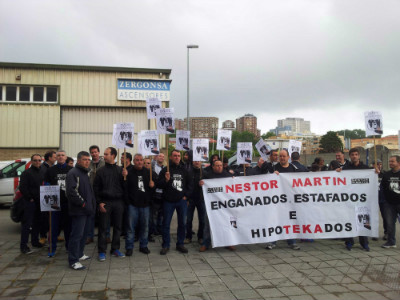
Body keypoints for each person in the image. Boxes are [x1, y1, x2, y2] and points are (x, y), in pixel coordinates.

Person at [93, 147, 127, 261]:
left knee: (118, 227)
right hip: (105, 202)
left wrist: (125, 177)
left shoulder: (121, 170)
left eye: (106, 154)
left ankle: (115, 249)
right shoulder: (101, 171)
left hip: (118, 202)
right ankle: (102, 251)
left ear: (113, 155)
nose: (104, 156)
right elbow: (96, 188)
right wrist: (99, 202)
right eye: (104, 154)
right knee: (103, 228)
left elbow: (125, 188)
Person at [157, 150, 193, 255]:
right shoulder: (165, 170)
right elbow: (159, 185)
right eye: (175, 156)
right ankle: (165, 245)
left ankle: (180, 244)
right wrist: (166, 180)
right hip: (168, 201)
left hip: (181, 201)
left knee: (182, 223)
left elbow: (190, 185)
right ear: (171, 157)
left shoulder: (185, 170)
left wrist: (186, 196)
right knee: (166, 224)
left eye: (178, 156)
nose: (177, 157)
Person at [66, 151, 96, 270]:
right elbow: (71, 192)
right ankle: (73, 260)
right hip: (79, 210)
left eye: (88, 160)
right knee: (76, 235)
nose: (87, 161)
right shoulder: (73, 173)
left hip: (87, 210)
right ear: (78, 161)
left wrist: (91, 204)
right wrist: (83, 204)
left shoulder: (85, 173)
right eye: (84, 159)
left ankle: (80, 253)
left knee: (84, 234)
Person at [266, 149, 300, 250]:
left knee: (290, 220)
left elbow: (301, 180)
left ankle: (292, 242)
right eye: (280, 156)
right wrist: (272, 176)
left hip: (290, 200)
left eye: (284, 156)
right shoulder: (274, 168)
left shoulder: (294, 168)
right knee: (275, 220)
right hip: (277, 200)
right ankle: (272, 241)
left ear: (288, 157)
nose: (282, 158)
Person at [199, 159, 233, 252]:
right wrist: (200, 183)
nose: (219, 167)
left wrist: (235, 180)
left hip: (225, 205)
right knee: (208, 223)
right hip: (211, 204)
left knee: (227, 222)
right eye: (217, 165)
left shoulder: (228, 175)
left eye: (221, 165)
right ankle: (206, 243)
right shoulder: (207, 175)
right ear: (213, 166)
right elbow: (200, 185)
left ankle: (228, 242)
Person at [341, 148, 370, 251]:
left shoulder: (366, 168)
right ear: (350, 156)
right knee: (349, 221)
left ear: (359, 156)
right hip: (349, 200)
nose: (354, 156)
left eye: (356, 154)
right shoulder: (345, 168)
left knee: (363, 221)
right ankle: (349, 242)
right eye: (352, 154)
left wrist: (375, 172)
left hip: (362, 200)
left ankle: (364, 243)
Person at [45, 150, 73, 257]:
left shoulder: (71, 170)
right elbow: (46, 185)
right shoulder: (50, 170)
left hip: (68, 203)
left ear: (66, 157)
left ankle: (69, 247)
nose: (60, 157)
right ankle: (52, 248)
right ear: (56, 158)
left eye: (62, 155)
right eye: (58, 156)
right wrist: (47, 203)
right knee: (53, 227)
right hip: (54, 203)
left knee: (68, 227)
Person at [125, 154, 154, 256]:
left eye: (141, 160)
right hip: (132, 205)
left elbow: (160, 183)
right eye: (137, 160)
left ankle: (143, 246)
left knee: (145, 227)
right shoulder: (128, 172)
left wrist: (152, 185)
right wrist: (128, 202)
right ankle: (129, 247)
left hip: (145, 205)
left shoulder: (148, 172)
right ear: (133, 161)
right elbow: (125, 188)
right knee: (130, 227)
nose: (139, 162)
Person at [19, 154, 44, 254]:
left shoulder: (43, 171)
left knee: (37, 223)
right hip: (30, 202)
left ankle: (35, 241)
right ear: (31, 161)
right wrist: (30, 198)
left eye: (39, 160)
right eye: (35, 160)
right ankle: (23, 246)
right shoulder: (26, 173)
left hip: (40, 201)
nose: (37, 162)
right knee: (27, 224)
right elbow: (23, 188)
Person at [86, 145, 105, 245]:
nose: (94, 154)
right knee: (90, 216)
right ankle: (90, 236)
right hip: (90, 193)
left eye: (95, 152)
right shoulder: (87, 164)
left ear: (98, 152)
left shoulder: (104, 163)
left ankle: (106, 236)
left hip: (102, 192)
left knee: (104, 215)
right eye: (92, 152)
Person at [380, 155, 400, 249]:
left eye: (392, 161)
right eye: (390, 161)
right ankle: (391, 242)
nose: (390, 163)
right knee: (389, 223)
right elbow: (383, 187)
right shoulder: (386, 174)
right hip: (389, 204)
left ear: (398, 163)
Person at [185, 160, 205, 245]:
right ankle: (188, 237)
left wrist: (204, 184)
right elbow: (185, 185)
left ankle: (200, 237)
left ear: (201, 162)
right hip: (190, 199)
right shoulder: (188, 172)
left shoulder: (205, 173)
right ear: (192, 162)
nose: (197, 162)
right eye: (195, 161)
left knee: (202, 220)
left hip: (201, 199)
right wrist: (186, 198)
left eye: (198, 161)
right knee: (188, 220)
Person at [38, 150, 56, 245]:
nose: (56, 158)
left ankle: (53, 235)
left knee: (52, 217)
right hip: (45, 195)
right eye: (54, 157)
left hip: (53, 194)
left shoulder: (52, 167)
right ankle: (43, 236)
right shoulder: (43, 168)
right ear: (49, 158)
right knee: (44, 218)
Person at [150, 154, 166, 236]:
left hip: (163, 193)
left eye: (163, 157)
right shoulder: (153, 166)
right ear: (156, 157)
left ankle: (160, 229)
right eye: (160, 156)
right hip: (155, 192)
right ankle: (154, 229)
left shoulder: (165, 168)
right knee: (154, 213)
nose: (161, 158)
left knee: (161, 213)